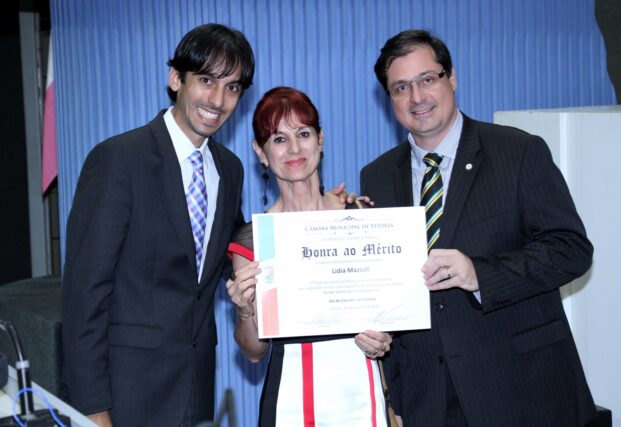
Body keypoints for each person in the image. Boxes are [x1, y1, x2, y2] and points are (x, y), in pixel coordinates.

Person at [360, 29, 597, 426]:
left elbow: (571, 250)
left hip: (521, 390)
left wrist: (480, 275)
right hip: (427, 397)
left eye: (427, 79)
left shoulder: (518, 151)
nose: (417, 97)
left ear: (452, 77)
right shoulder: (377, 176)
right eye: (401, 87)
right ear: (389, 98)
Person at [62, 24, 254, 427]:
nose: (218, 100)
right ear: (175, 78)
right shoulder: (119, 159)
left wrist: (316, 213)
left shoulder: (229, 169)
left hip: (196, 393)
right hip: (125, 397)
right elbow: (85, 293)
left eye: (232, 87)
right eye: (206, 81)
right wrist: (92, 409)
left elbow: (229, 247)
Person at [226, 86, 393, 426]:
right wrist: (244, 311)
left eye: (303, 133)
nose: (294, 148)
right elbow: (253, 352)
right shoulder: (254, 240)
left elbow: (391, 314)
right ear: (260, 151)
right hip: (290, 402)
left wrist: (384, 337)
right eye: (279, 139)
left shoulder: (362, 215)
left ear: (320, 139)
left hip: (364, 395)